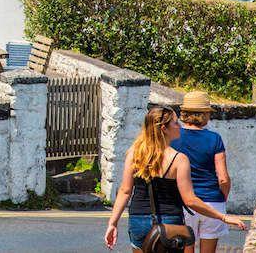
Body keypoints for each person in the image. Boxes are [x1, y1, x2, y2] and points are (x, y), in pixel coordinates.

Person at [104, 107, 244, 251]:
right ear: (164, 128)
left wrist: (112, 223)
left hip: (138, 219)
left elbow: (125, 191)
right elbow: (190, 200)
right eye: (176, 123)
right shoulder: (179, 159)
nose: (180, 126)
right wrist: (223, 217)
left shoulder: (134, 153)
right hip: (170, 221)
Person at [172, 92, 231, 253]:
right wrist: (222, 197)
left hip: (183, 202)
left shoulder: (173, 137)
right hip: (212, 201)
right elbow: (223, 178)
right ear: (205, 114)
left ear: (184, 113)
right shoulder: (214, 138)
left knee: (185, 248)